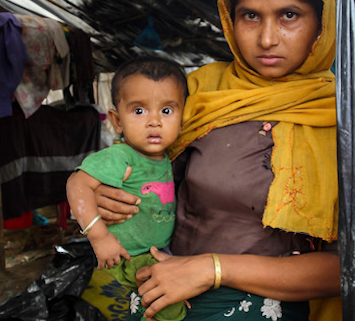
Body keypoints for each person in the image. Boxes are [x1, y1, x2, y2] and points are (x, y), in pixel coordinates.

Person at [87, 0, 341, 320]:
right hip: (169, 292)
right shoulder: (198, 93)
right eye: (250, 16)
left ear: (322, 23)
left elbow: (354, 268)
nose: (267, 39)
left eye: (289, 15)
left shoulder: (347, 117)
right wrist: (109, 194)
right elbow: (148, 174)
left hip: (271, 306)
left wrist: (213, 269)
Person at [66, 57, 188, 321]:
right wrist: (99, 236)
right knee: (171, 309)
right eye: (139, 111)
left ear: (182, 117)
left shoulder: (165, 156)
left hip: (156, 251)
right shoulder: (121, 156)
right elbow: (77, 184)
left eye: (166, 111)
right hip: (129, 256)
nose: (154, 121)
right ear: (117, 121)